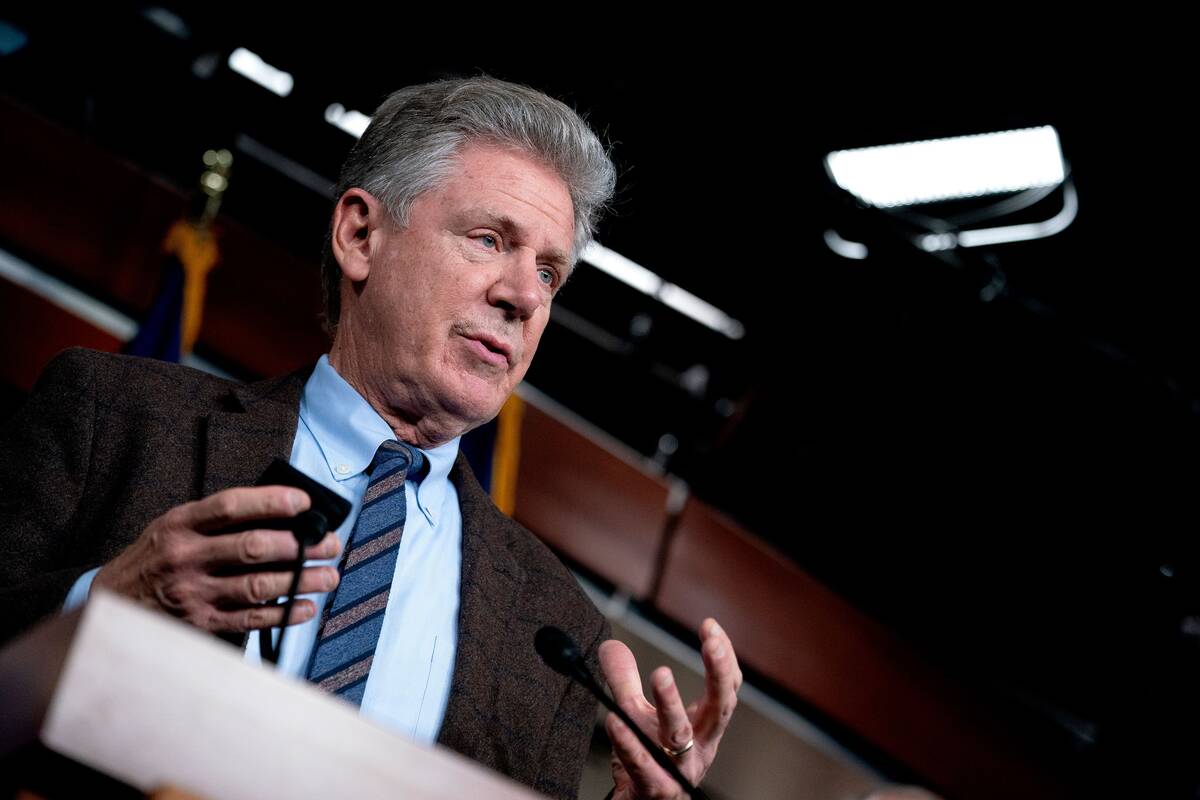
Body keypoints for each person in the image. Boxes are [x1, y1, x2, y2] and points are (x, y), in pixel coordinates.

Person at [0, 76, 741, 799]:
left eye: (549, 273)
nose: (522, 296)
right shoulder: (115, 416)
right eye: (489, 239)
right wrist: (100, 606)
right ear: (361, 235)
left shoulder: (554, 625)